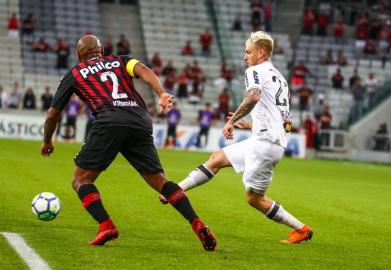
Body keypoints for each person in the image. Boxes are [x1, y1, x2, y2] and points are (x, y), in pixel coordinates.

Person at [40, 34, 216, 250]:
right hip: (139, 120)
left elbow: (52, 114)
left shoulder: (74, 73)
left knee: (81, 181)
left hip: (109, 121)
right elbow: (144, 70)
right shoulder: (120, 60)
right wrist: (160, 92)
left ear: (79, 55)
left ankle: (106, 225)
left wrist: (47, 141)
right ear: (101, 51)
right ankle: (197, 223)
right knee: (160, 181)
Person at [162, 31, 312, 244]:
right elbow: (286, 121)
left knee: (254, 199)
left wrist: (231, 122)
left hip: (264, 145)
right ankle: (175, 190)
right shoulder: (281, 80)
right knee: (216, 158)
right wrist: (251, 124)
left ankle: (301, 229)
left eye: (248, 51)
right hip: (265, 141)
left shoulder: (255, 71)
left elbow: (252, 96)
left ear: (260, 52)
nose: (245, 57)